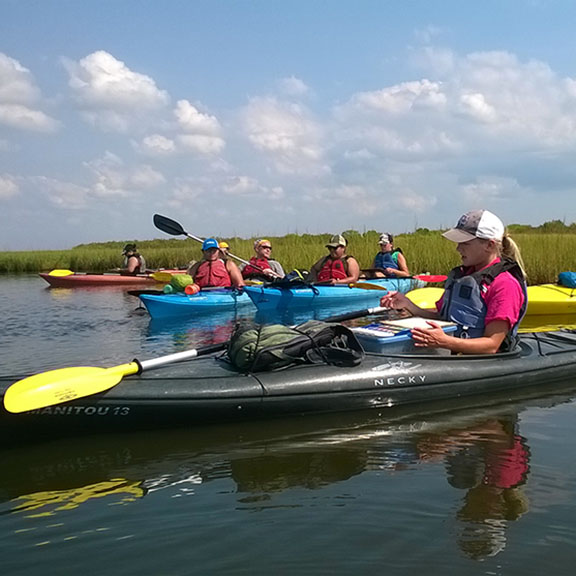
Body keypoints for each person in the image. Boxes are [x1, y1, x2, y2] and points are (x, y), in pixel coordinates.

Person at [380, 209, 527, 354]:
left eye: (465, 243)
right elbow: (442, 317)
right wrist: (407, 304)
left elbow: (491, 345)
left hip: (481, 363)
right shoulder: (462, 276)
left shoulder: (505, 285)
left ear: (489, 245)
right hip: (453, 354)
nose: (458, 248)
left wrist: (444, 341)